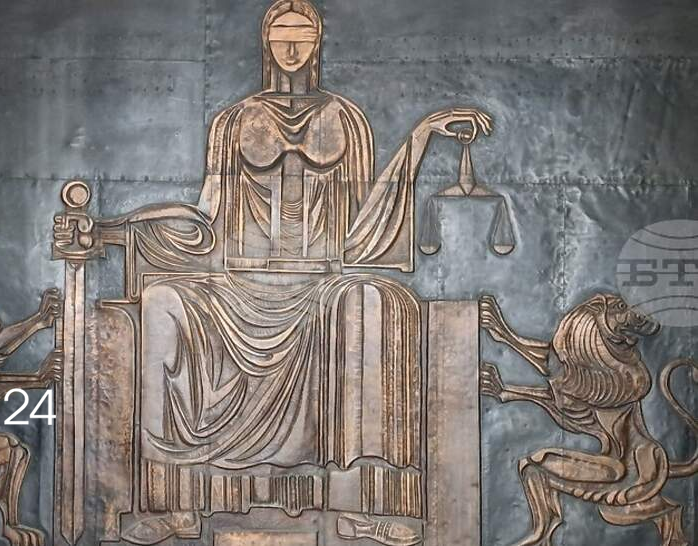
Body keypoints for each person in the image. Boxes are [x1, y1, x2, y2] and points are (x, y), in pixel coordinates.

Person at [124, 1, 492, 544]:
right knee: (162, 301)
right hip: (239, 281)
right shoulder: (232, 122)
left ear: (317, 42)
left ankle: (369, 505)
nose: (291, 45)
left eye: (302, 34)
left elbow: (367, 217)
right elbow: (207, 217)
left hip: (324, 281)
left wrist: (422, 136)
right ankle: (174, 504)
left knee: (373, 302)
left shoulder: (346, 119)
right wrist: (126, 231)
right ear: (266, 42)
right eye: (281, 34)